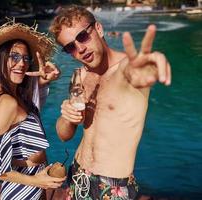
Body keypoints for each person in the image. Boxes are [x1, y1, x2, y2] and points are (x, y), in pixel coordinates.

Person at [49, 5, 171, 200]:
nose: (80, 48)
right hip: (78, 175)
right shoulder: (79, 76)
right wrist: (67, 118)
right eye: (70, 47)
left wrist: (152, 63)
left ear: (98, 29)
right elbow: (64, 136)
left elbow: (140, 71)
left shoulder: (127, 69)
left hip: (113, 186)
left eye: (82, 36)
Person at [0, 21, 65, 200]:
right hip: (23, 188)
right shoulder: (7, 102)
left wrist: (43, 81)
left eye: (26, 58)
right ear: (1, 57)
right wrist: (36, 181)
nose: (21, 64)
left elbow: (24, 117)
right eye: (14, 57)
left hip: (25, 182)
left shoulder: (2, 92)